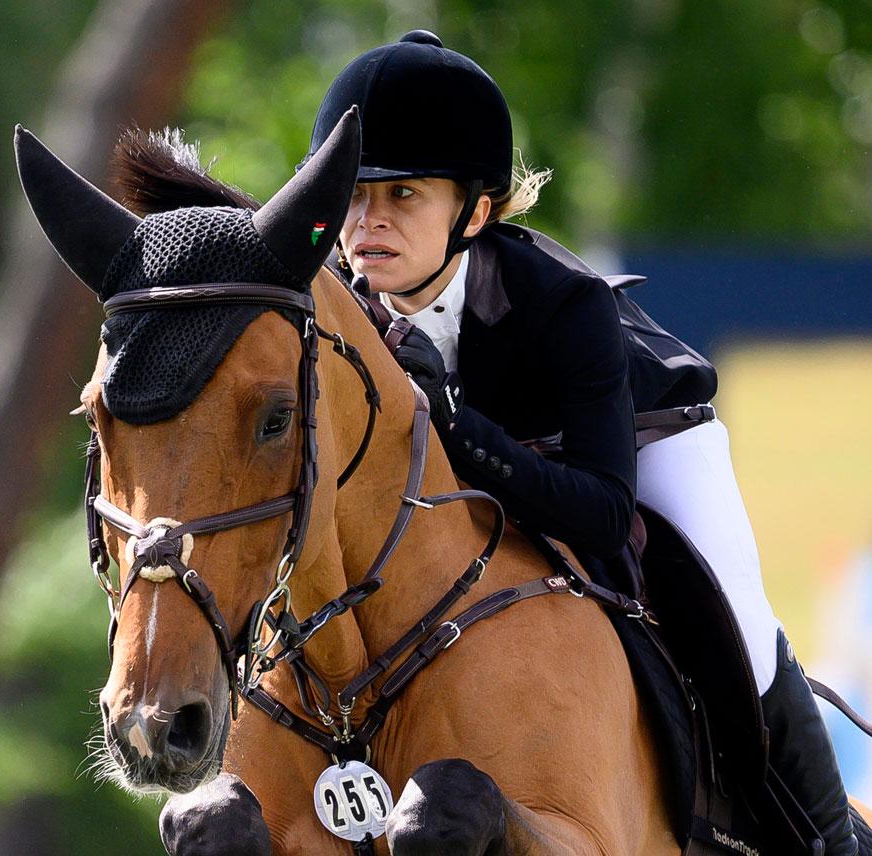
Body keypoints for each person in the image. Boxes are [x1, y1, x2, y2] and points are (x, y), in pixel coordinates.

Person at [302, 29, 859, 854]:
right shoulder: (334, 314)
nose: (367, 223)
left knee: (735, 623)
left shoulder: (567, 304)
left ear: (477, 211)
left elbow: (602, 515)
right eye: (354, 196)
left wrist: (450, 420)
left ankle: (825, 839)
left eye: (404, 196)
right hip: (488, 474)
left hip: (642, 445)